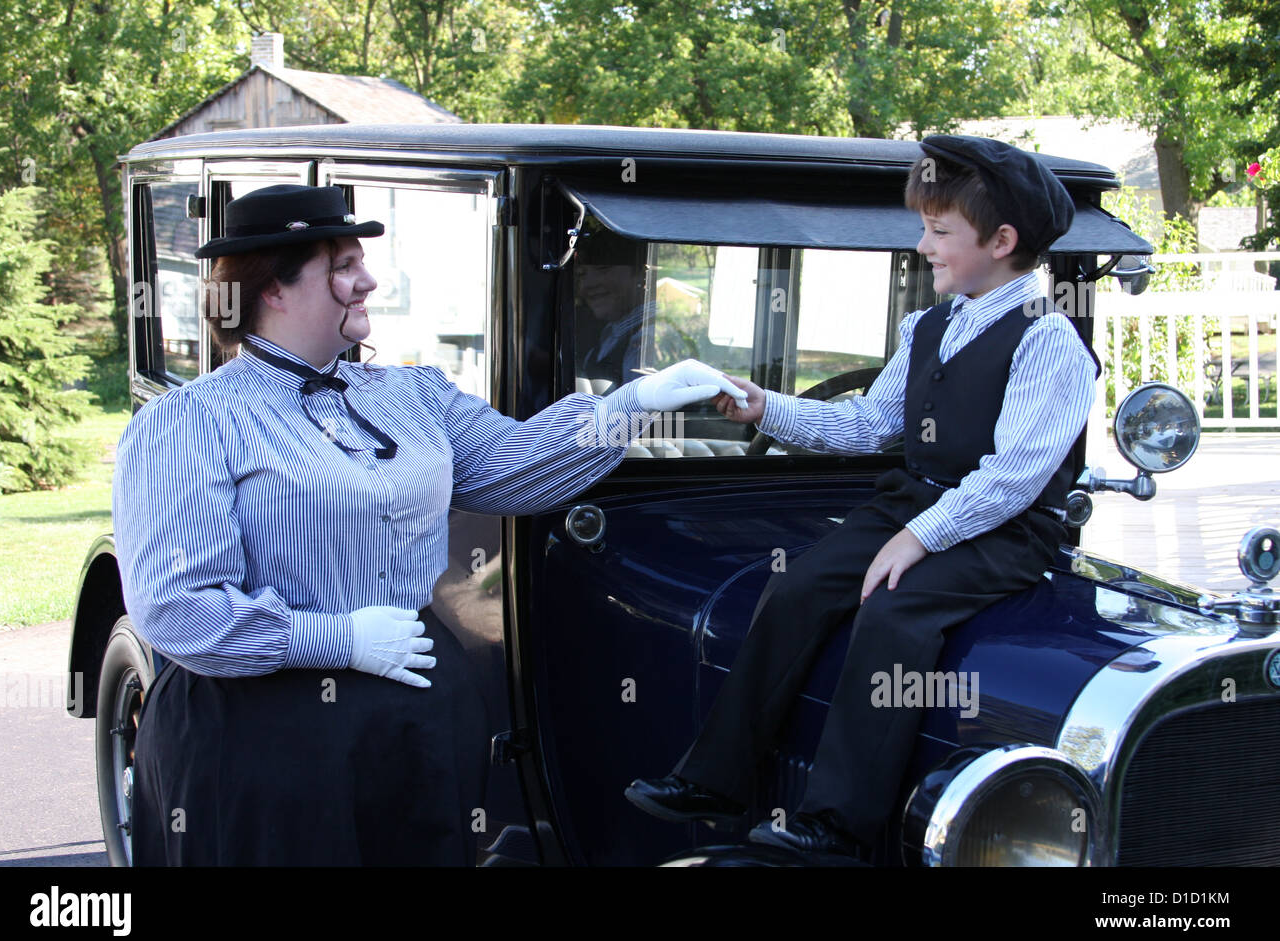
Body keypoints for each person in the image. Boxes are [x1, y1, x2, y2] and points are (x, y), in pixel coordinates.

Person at [114, 183, 745, 866]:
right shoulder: (189, 422)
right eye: (344, 266)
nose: (368, 280)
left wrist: (638, 401)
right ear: (273, 288)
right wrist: (336, 637)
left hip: (415, 722)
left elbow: (522, 467)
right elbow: (176, 608)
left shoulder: (412, 394)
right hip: (260, 735)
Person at [624, 135, 1100, 859]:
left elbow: (1013, 479)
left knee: (894, 613)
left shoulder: (1048, 341)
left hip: (1003, 530)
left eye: (940, 232)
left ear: (1002, 241)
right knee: (798, 586)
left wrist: (917, 540)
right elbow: (869, 423)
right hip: (912, 502)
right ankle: (717, 778)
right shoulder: (929, 327)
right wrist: (766, 410)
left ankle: (842, 825)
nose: (923, 246)